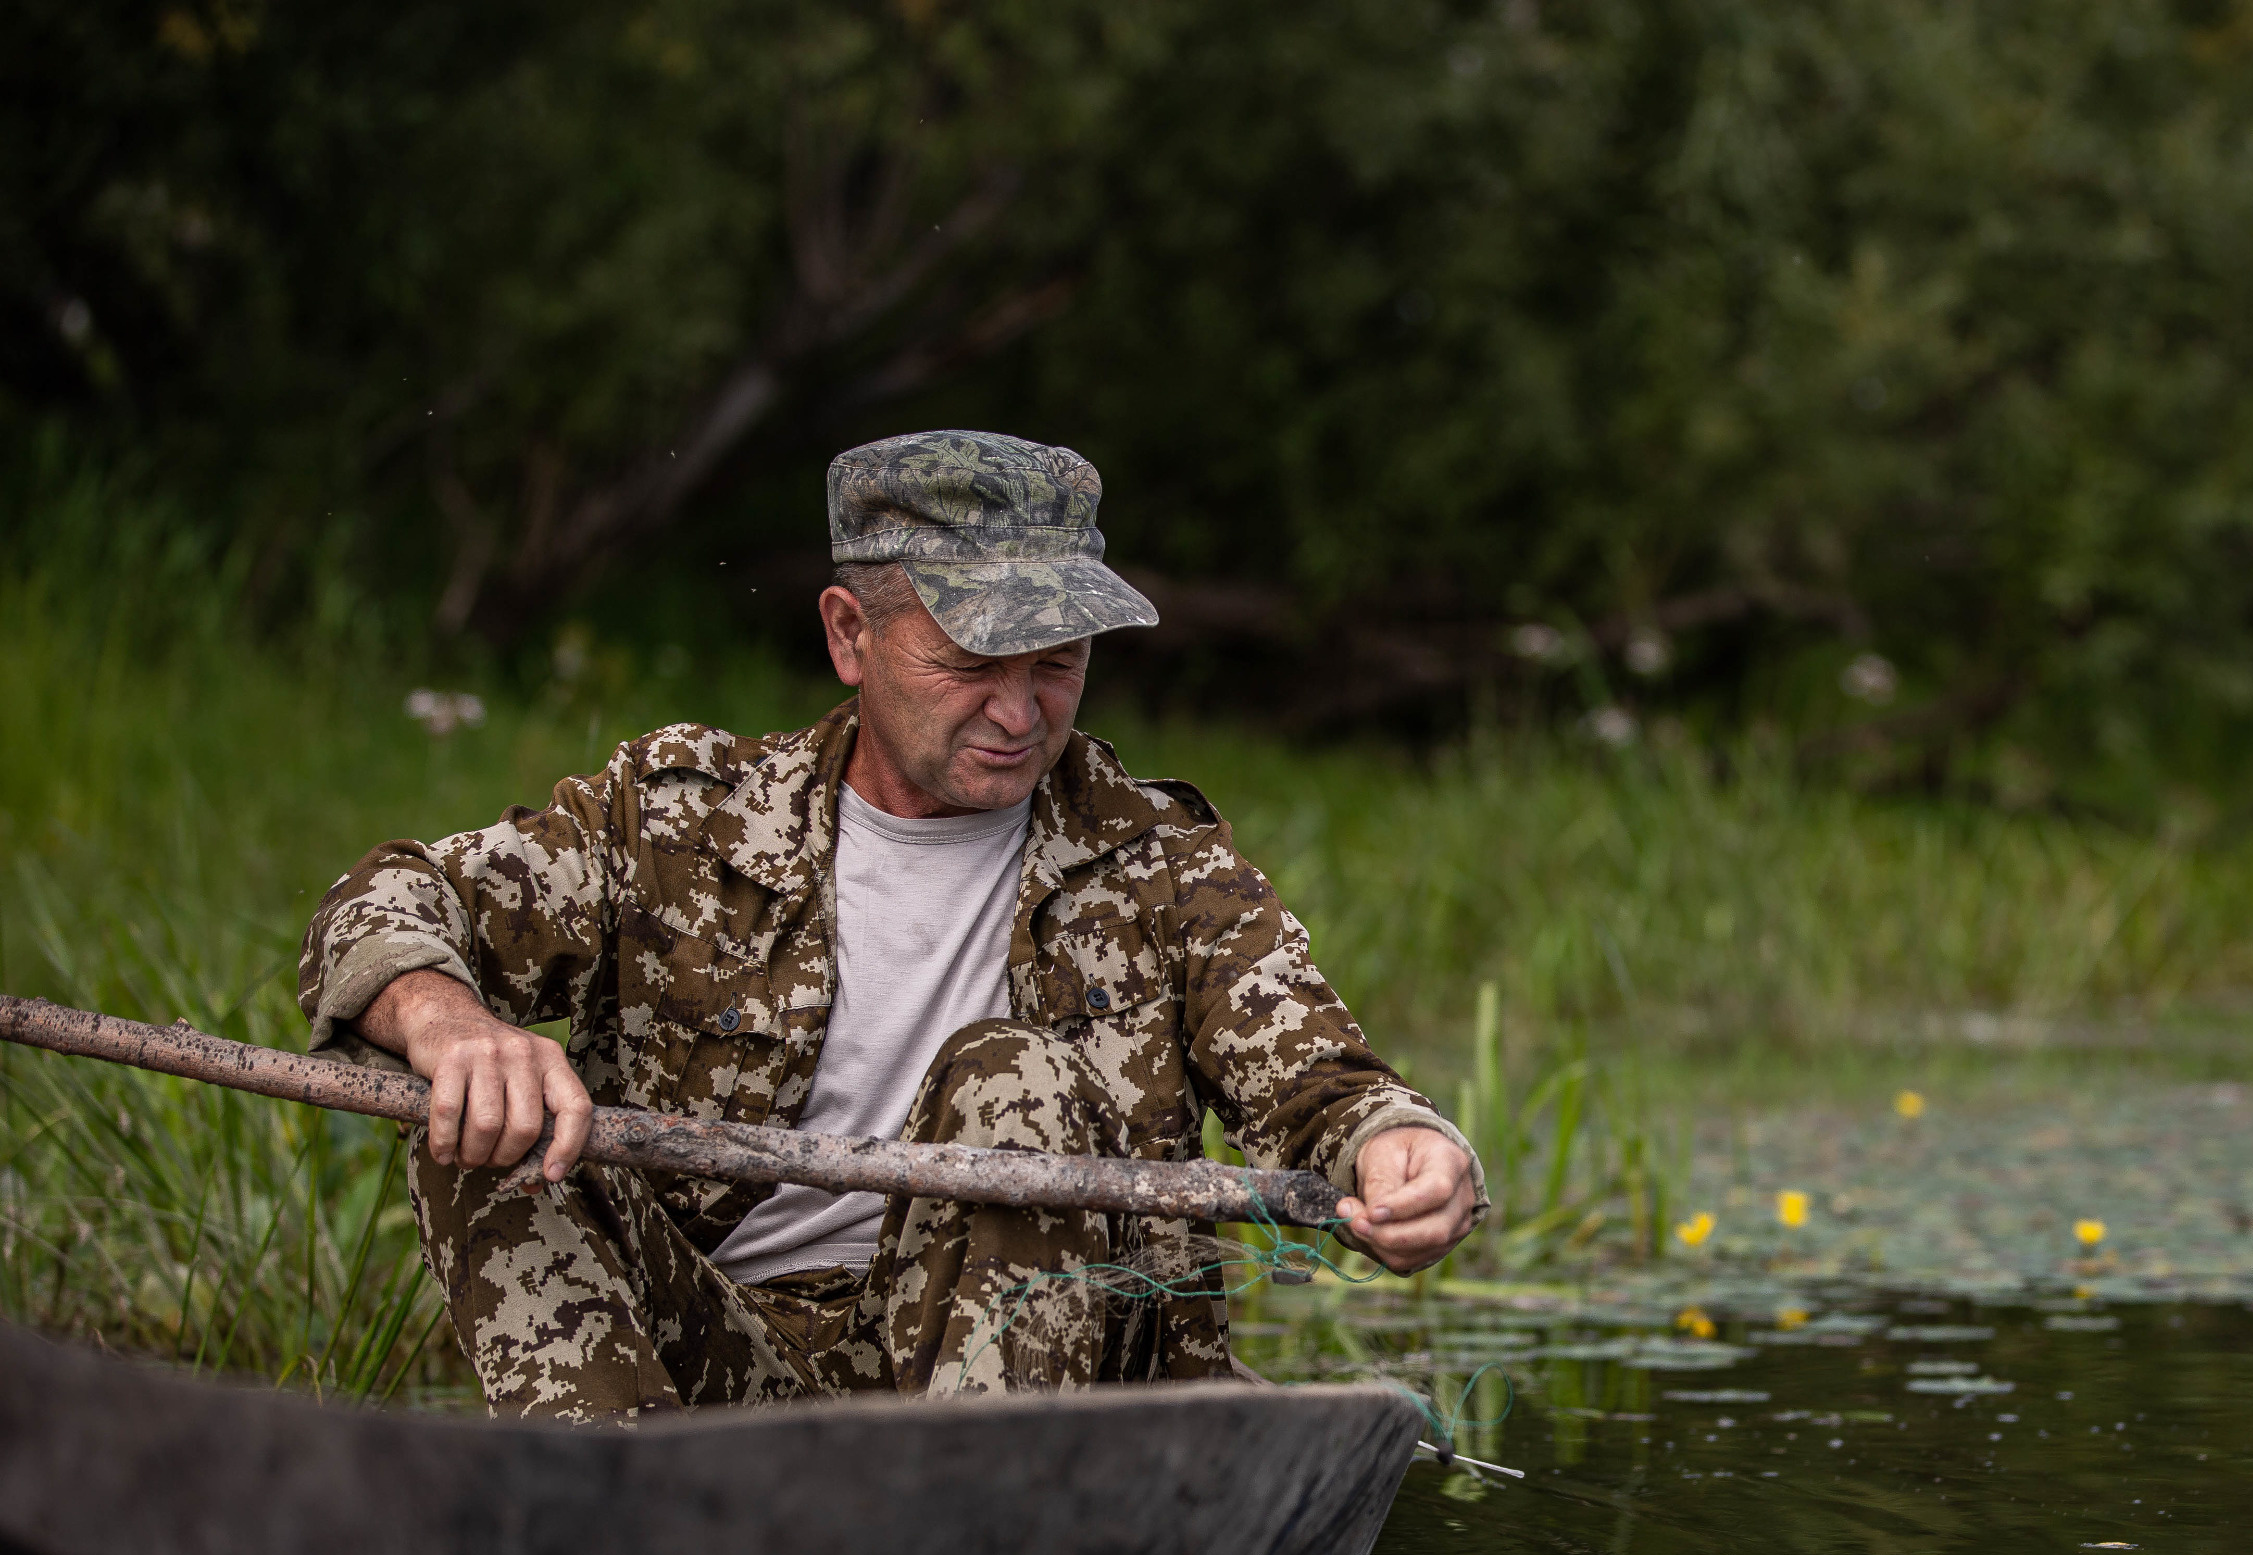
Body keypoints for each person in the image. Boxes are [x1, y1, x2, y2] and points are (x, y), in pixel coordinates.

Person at [299, 430, 1483, 1420]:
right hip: (718, 1382)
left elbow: (1322, 1089)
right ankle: (619, 1533)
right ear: (849, 635)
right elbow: (390, 901)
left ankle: (978, 1547)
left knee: (1008, 1075)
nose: (1021, 714)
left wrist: (1402, 1147)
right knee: (481, 1120)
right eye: (972, 661)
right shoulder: (672, 821)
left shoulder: (1164, 865)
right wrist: (454, 1028)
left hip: (1046, 1397)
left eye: (1059, 663)